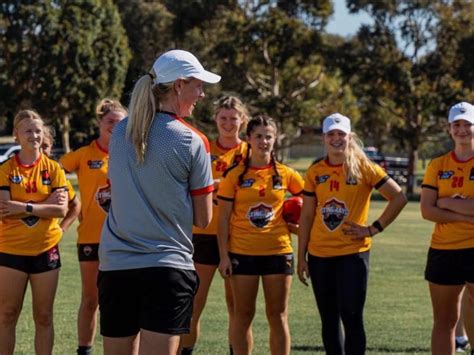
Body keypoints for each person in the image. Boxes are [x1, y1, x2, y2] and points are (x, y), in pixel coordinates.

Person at [98, 49, 219, 354]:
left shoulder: (120, 132)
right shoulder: (192, 139)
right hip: (166, 269)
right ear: (179, 85)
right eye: (198, 85)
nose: (202, 94)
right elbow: (203, 219)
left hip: (115, 267)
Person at [297, 113, 407, 355]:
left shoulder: (364, 167)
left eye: (341, 134)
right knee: (328, 318)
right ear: (324, 138)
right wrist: (301, 256)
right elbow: (306, 216)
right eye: (331, 134)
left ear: (350, 137)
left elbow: (398, 197)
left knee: (352, 316)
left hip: (353, 254)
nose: (336, 138)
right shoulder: (315, 171)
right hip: (319, 255)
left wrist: (373, 228)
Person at [217, 115, 304, 355]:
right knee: (243, 315)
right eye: (258, 136)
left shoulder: (286, 174)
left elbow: (311, 202)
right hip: (242, 253)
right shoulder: (234, 176)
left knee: (278, 316)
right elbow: (222, 219)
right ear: (248, 139)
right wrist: (223, 256)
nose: (263, 142)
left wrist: (295, 225)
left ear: (275, 140)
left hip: (278, 251)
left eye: (269, 137)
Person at [180, 96, 249, 355]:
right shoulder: (203, 149)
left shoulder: (250, 152)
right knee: (193, 305)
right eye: (223, 118)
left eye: (233, 118)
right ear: (215, 119)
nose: (228, 123)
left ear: (242, 120)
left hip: (238, 236)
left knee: (238, 310)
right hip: (204, 234)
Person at [59, 99, 126, 355]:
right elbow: (53, 171)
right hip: (91, 237)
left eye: (121, 123)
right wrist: (68, 198)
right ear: (100, 123)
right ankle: (84, 350)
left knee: (125, 301)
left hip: (126, 238)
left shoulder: (132, 152)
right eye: (110, 122)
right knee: (90, 300)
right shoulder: (85, 154)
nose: (115, 127)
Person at [0, 110, 68, 354]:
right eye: (28, 130)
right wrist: (44, 203)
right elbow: (4, 209)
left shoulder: (54, 168)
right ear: (16, 135)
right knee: (7, 315)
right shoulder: (6, 169)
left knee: (44, 316)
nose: (34, 135)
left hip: (46, 250)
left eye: (38, 130)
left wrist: (25, 206)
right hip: (11, 251)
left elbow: (61, 209)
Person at [420, 101, 474, 355]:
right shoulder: (437, 165)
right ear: (449, 129)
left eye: (468, 124)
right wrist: (464, 215)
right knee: (444, 322)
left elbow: (437, 205)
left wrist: (447, 203)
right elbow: (427, 210)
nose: (462, 130)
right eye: (457, 125)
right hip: (443, 249)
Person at [42, 125, 81, 234]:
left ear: (51, 147)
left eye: (45, 146)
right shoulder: (13, 170)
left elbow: (75, 205)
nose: (40, 150)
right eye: (37, 145)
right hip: (16, 241)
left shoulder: (56, 173)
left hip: (47, 241)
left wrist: (61, 229)